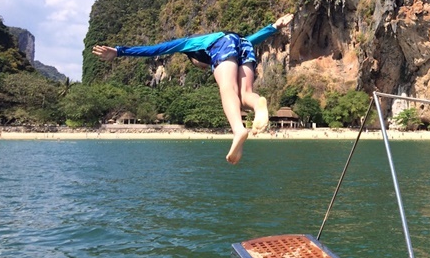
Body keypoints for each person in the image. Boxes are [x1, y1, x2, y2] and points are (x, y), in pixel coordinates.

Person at [92, 14, 293, 165]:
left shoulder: (190, 44)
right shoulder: (237, 40)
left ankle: (238, 129)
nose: (204, 66)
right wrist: (274, 26)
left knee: (227, 88)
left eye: (201, 65)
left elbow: (155, 49)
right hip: (244, 44)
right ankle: (258, 106)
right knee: (244, 94)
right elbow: (252, 39)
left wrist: (119, 51)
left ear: (193, 57)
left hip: (223, 44)